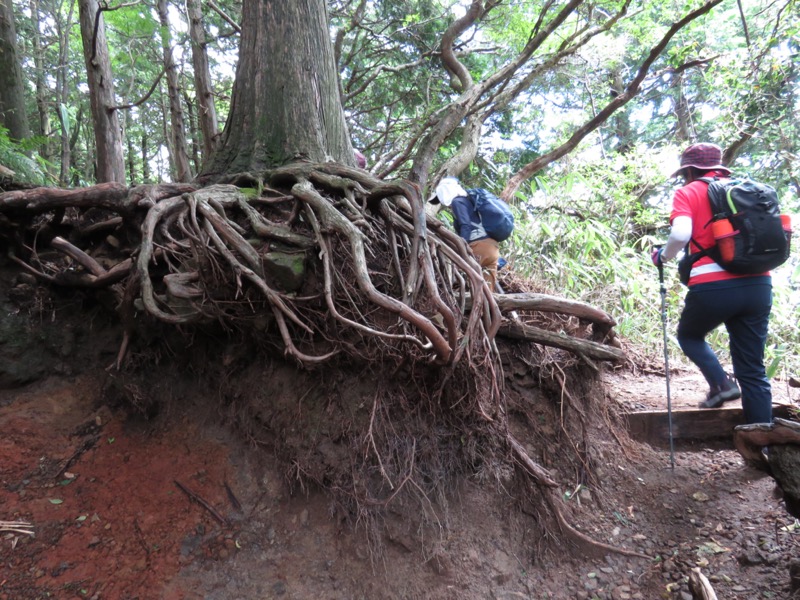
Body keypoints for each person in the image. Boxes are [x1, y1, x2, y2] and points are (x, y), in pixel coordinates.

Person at [651, 142, 773, 424]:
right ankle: (762, 444)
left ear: (690, 170)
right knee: (753, 369)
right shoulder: (745, 190)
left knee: (690, 336)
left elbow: (681, 233)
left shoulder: (689, 191)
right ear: (719, 167)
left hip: (714, 285)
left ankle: (721, 384)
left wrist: (663, 256)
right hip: (758, 285)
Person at [429, 176, 501, 290]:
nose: (444, 204)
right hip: (493, 249)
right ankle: (486, 307)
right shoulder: (469, 201)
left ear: (445, 193)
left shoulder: (457, 202)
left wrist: (460, 248)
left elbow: (465, 225)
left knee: (457, 276)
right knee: (487, 293)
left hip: (479, 247)